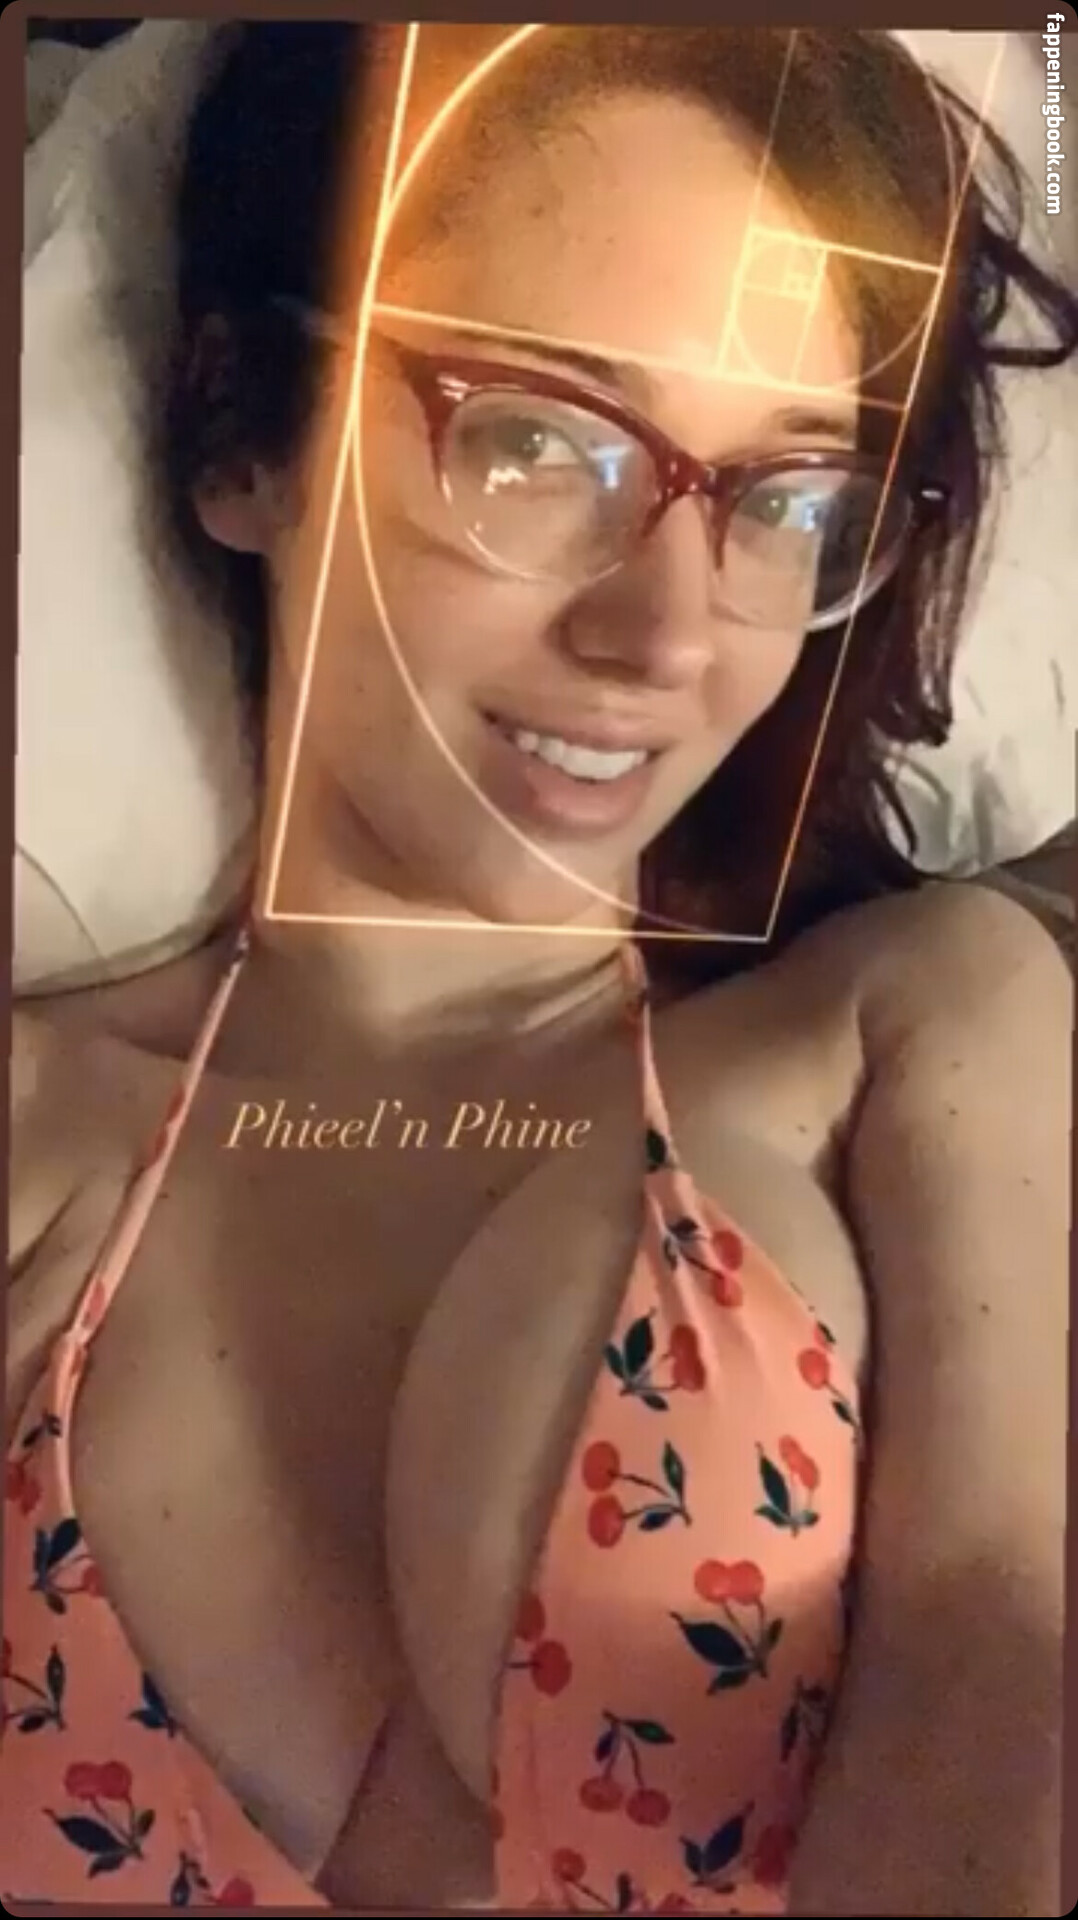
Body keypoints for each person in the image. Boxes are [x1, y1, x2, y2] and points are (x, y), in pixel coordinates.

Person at [4, 22, 1073, 1915]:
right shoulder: (37, 1141)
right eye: (533, 442)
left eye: (781, 500)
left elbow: (1008, 1664)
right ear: (243, 432)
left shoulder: (915, 1021)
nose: (664, 635)